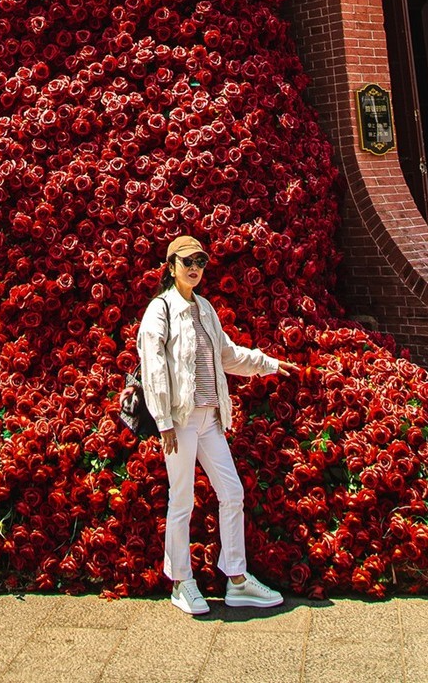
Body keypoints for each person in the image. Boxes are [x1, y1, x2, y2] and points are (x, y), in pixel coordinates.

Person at [137, 233, 292, 616]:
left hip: (210, 419)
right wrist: (164, 421)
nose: (194, 268)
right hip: (180, 419)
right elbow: (153, 366)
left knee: (232, 493)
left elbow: (227, 354)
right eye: (187, 261)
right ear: (170, 267)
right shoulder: (161, 310)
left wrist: (269, 364)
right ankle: (181, 582)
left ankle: (236, 579)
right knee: (182, 500)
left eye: (200, 262)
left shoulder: (205, 307)